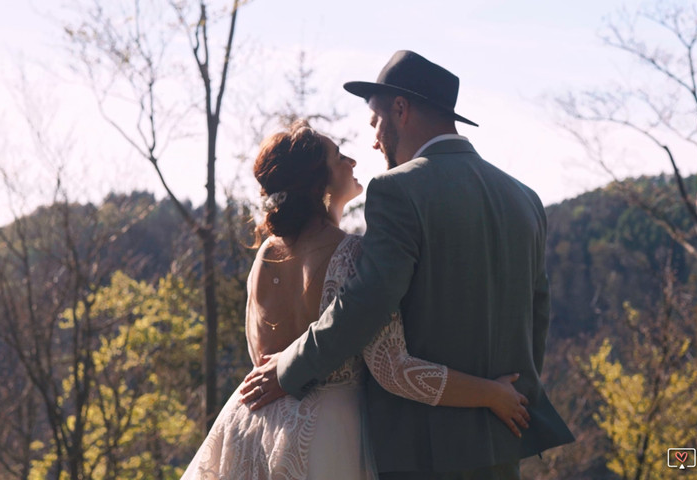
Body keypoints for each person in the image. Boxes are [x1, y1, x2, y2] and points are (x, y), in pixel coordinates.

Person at [240, 50, 575, 479]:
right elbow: (537, 313)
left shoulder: (397, 190)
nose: (375, 140)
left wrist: (288, 370)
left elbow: (364, 304)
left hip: (420, 448)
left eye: (376, 122)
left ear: (401, 109)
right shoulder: (524, 197)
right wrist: (513, 396)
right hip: (502, 436)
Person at [180, 121, 531, 480]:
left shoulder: (266, 254)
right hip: (325, 440)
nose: (352, 160)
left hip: (249, 428)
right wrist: (491, 394)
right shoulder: (353, 255)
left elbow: (262, 359)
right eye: (338, 156)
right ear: (320, 185)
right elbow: (395, 371)